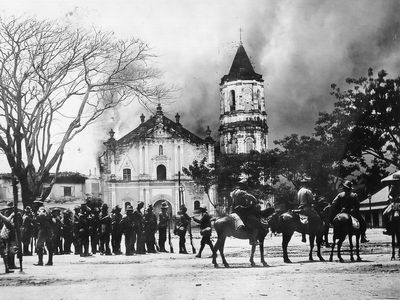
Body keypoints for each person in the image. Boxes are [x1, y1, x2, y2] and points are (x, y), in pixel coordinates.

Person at [295, 176, 318, 243]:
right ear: (307, 184)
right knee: (318, 217)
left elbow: (298, 201)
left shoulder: (299, 191)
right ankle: (316, 231)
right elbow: (311, 201)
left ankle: (303, 236)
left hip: (300, 208)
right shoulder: (308, 191)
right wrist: (314, 198)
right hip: (307, 208)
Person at [34, 201, 55, 266]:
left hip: (43, 229)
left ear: (38, 204)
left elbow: (41, 216)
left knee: (39, 245)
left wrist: (37, 220)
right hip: (48, 229)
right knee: (49, 245)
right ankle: (50, 261)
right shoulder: (47, 209)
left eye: (35, 204)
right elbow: (52, 220)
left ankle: (40, 262)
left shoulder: (41, 209)